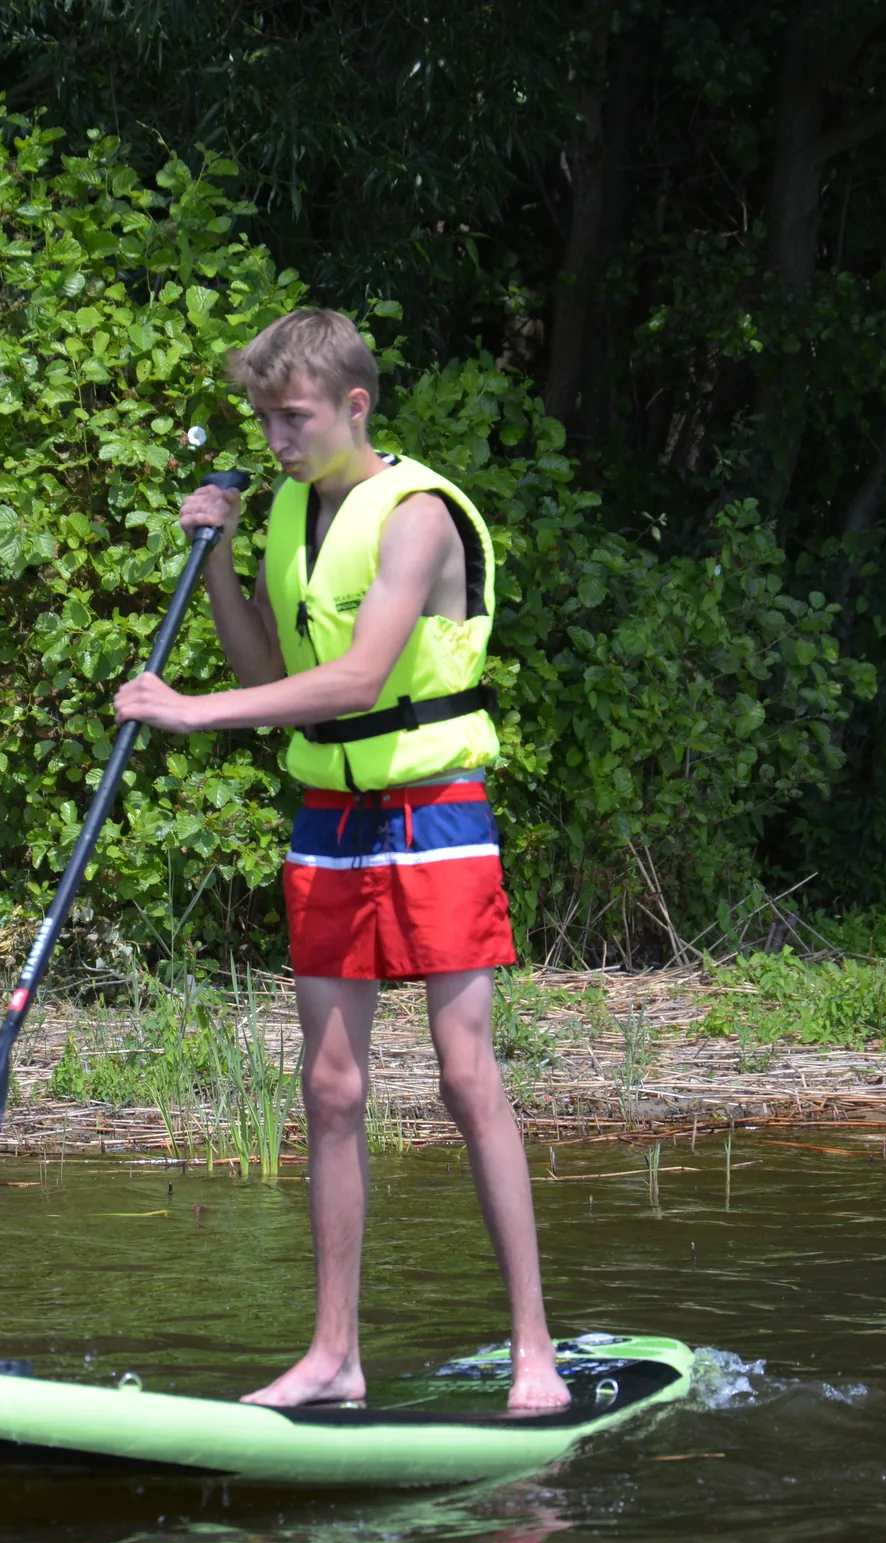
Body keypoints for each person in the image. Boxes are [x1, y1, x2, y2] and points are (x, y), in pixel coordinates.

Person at [114, 308, 572, 1413]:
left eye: (294, 417)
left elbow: (361, 680)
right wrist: (219, 562)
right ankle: (333, 1358)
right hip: (329, 816)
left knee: (466, 1078)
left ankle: (535, 1357)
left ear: (353, 406)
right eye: (264, 419)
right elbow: (270, 664)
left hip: (434, 813)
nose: (274, 439)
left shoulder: (413, 515)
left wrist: (191, 714)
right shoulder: (286, 516)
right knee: (328, 1088)